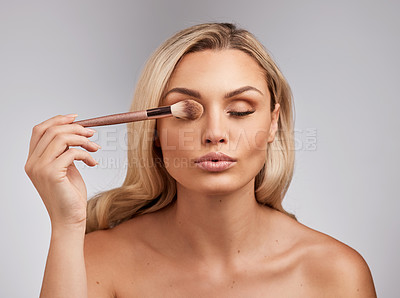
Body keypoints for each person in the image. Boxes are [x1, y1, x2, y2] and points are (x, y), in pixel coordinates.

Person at [25, 23, 376, 297]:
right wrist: (66, 225)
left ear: (273, 123)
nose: (214, 132)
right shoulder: (97, 260)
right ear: (156, 131)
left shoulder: (337, 273)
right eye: (187, 113)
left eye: (239, 111)